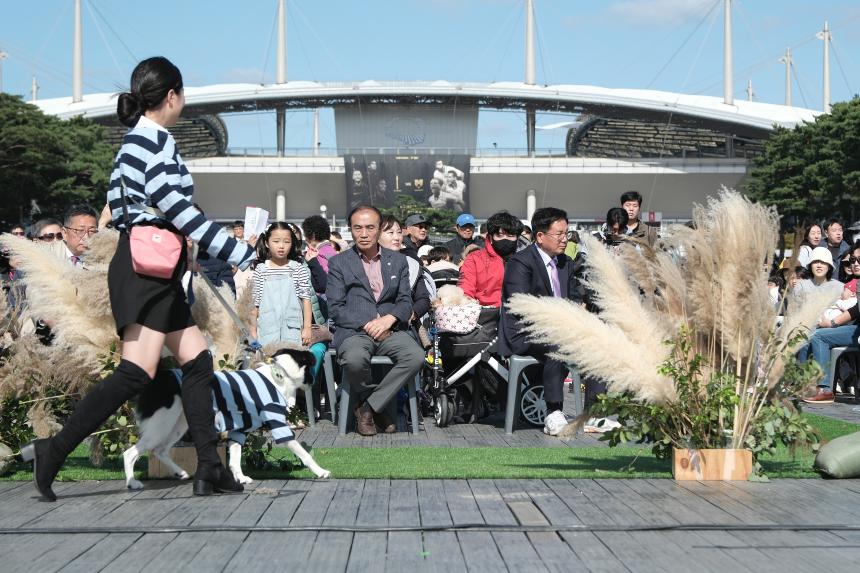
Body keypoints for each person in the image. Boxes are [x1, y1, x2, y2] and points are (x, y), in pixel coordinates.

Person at [19, 56, 258, 502]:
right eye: (182, 96)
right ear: (172, 96)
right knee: (136, 372)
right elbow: (176, 207)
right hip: (147, 269)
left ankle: (209, 466)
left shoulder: (131, 143)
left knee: (198, 363)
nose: (183, 103)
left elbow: (120, 202)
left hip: (149, 265)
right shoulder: (158, 142)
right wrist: (239, 251)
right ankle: (54, 451)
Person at [325, 206, 424, 436]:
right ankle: (376, 407)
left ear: (379, 229)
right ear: (350, 230)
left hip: (391, 330)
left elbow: (404, 301)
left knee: (416, 356)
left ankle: (368, 407)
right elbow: (335, 308)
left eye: (370, 227)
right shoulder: (339, 263)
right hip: (355, 331)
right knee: (355, 359)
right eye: (357, 228)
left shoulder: (398, 261)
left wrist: (389, 319)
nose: (364, 233)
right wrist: (370, 323)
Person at [499, 207, 583, 436]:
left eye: (567, 233)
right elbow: (522, 307)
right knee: (558, 343)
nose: (565, 239)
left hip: (562, 328)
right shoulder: (521, 262)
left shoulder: (566, 262)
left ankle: (596, 412)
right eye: (559, 234)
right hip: (526, 332)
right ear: (540, 236)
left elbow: (575, 296)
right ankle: (554, 411)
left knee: (598, 340)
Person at [798, 243, 860, 403]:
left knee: (818, 336)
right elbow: (855, 310)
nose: (855, 264)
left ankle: (824, 388)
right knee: (815, 334)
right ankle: (816, 386)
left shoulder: (841, 286)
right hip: (855, 329)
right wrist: (832, 323)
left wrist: (832, 322)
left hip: (855, 332)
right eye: (852, 260)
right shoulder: (857, 283)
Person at [459, 211, 522, 307]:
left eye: (511, 235)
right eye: (500, 235)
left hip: (517, 312)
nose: (505, 239)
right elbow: (465, 289)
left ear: (517, 238)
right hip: (485, 314)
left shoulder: (523, 260)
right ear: (490, 237)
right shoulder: (475, 259)